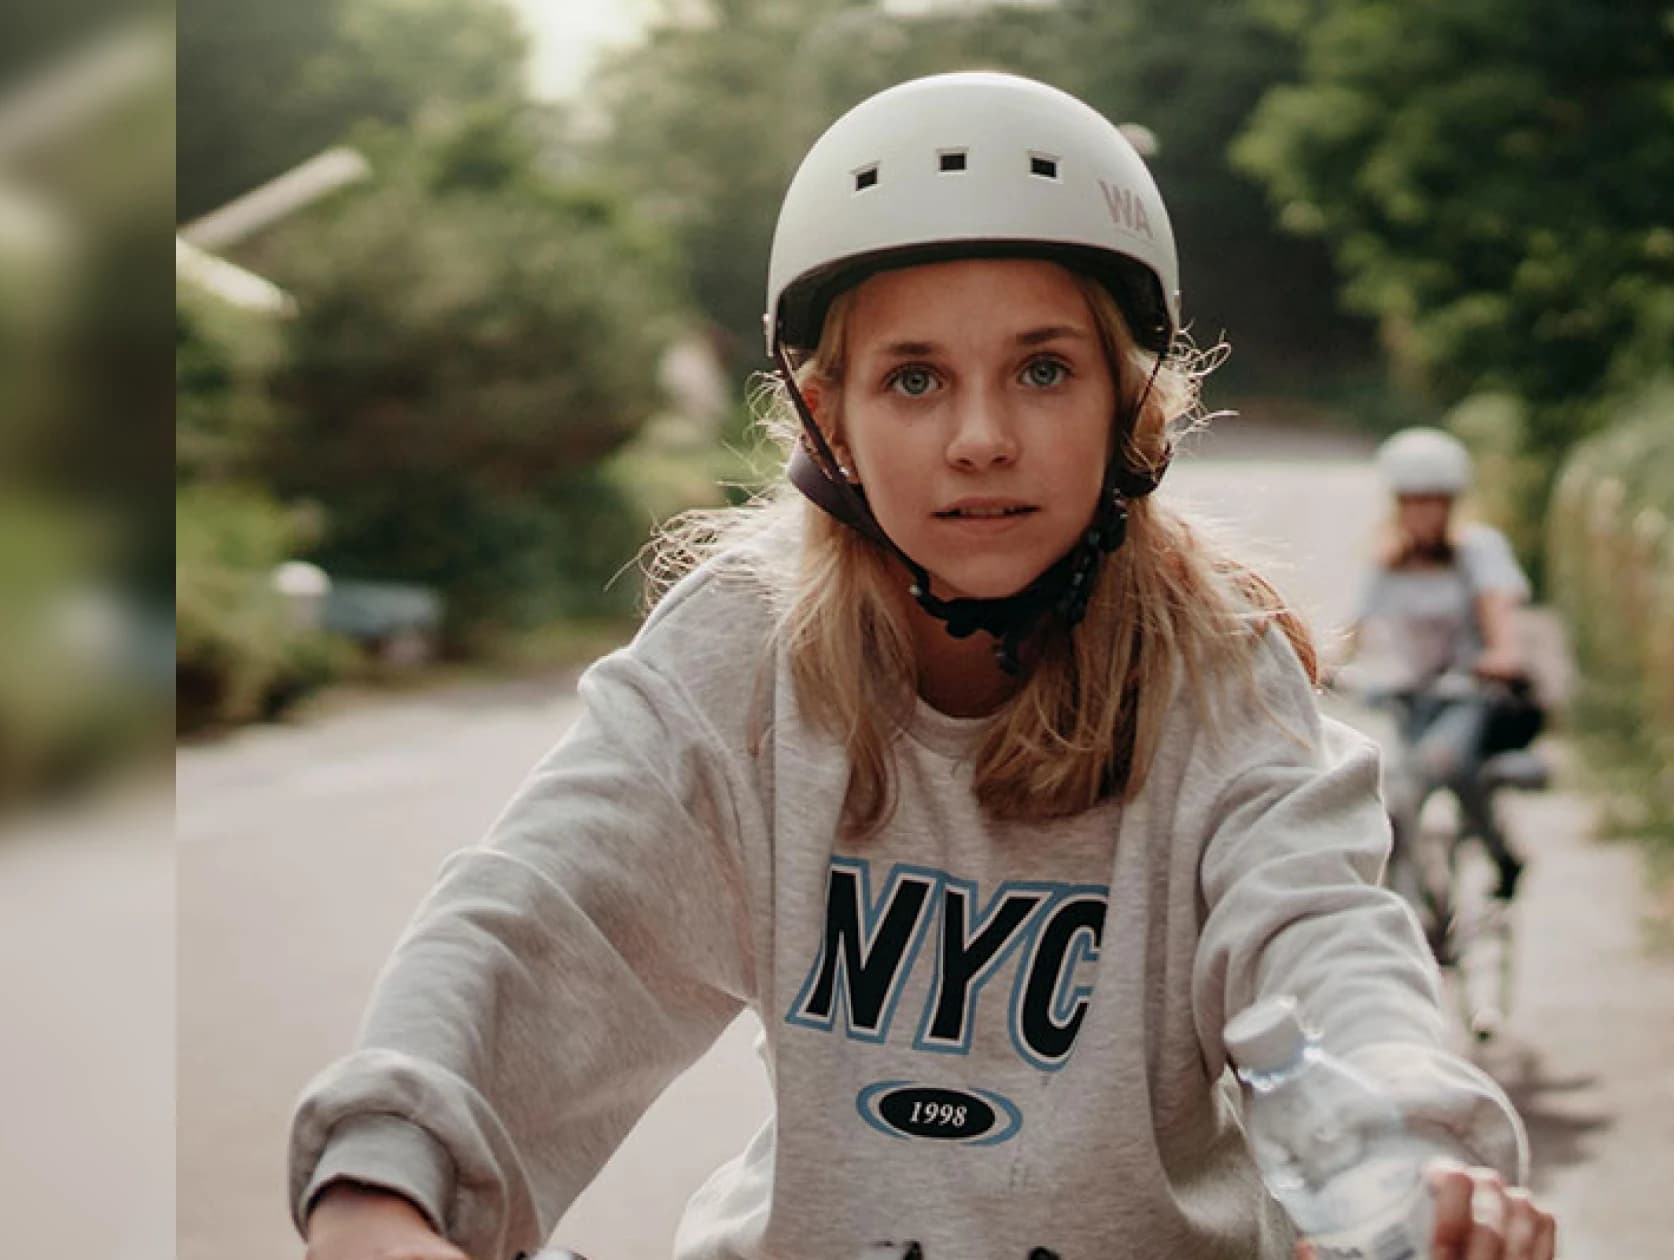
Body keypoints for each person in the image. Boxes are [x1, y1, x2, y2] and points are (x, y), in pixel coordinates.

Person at [290, 73, 1556, 1260]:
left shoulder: (1213, 672)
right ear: (828, 417)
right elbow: (541, 913)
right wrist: (383, 1176)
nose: (980, 438)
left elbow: (1323, 948)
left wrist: (1414, 1161)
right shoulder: (741, 651)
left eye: (1043, 369)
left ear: (1130, 406)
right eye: (913, 379)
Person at [1345, 428, 1540, 920]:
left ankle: (1503, 855)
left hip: (1472, 695)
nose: (1423, 513)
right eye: (1412, 501)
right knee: (1395, 796)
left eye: (1435, 501)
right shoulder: (1388, 563)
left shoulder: (1478, 551)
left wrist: (1501, 654)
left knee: (1444, 764)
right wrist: (1319, 667)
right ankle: (1408, 905)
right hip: (1415, 699)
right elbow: (1353, 634)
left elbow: (1500, 617)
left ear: (1452, 504)